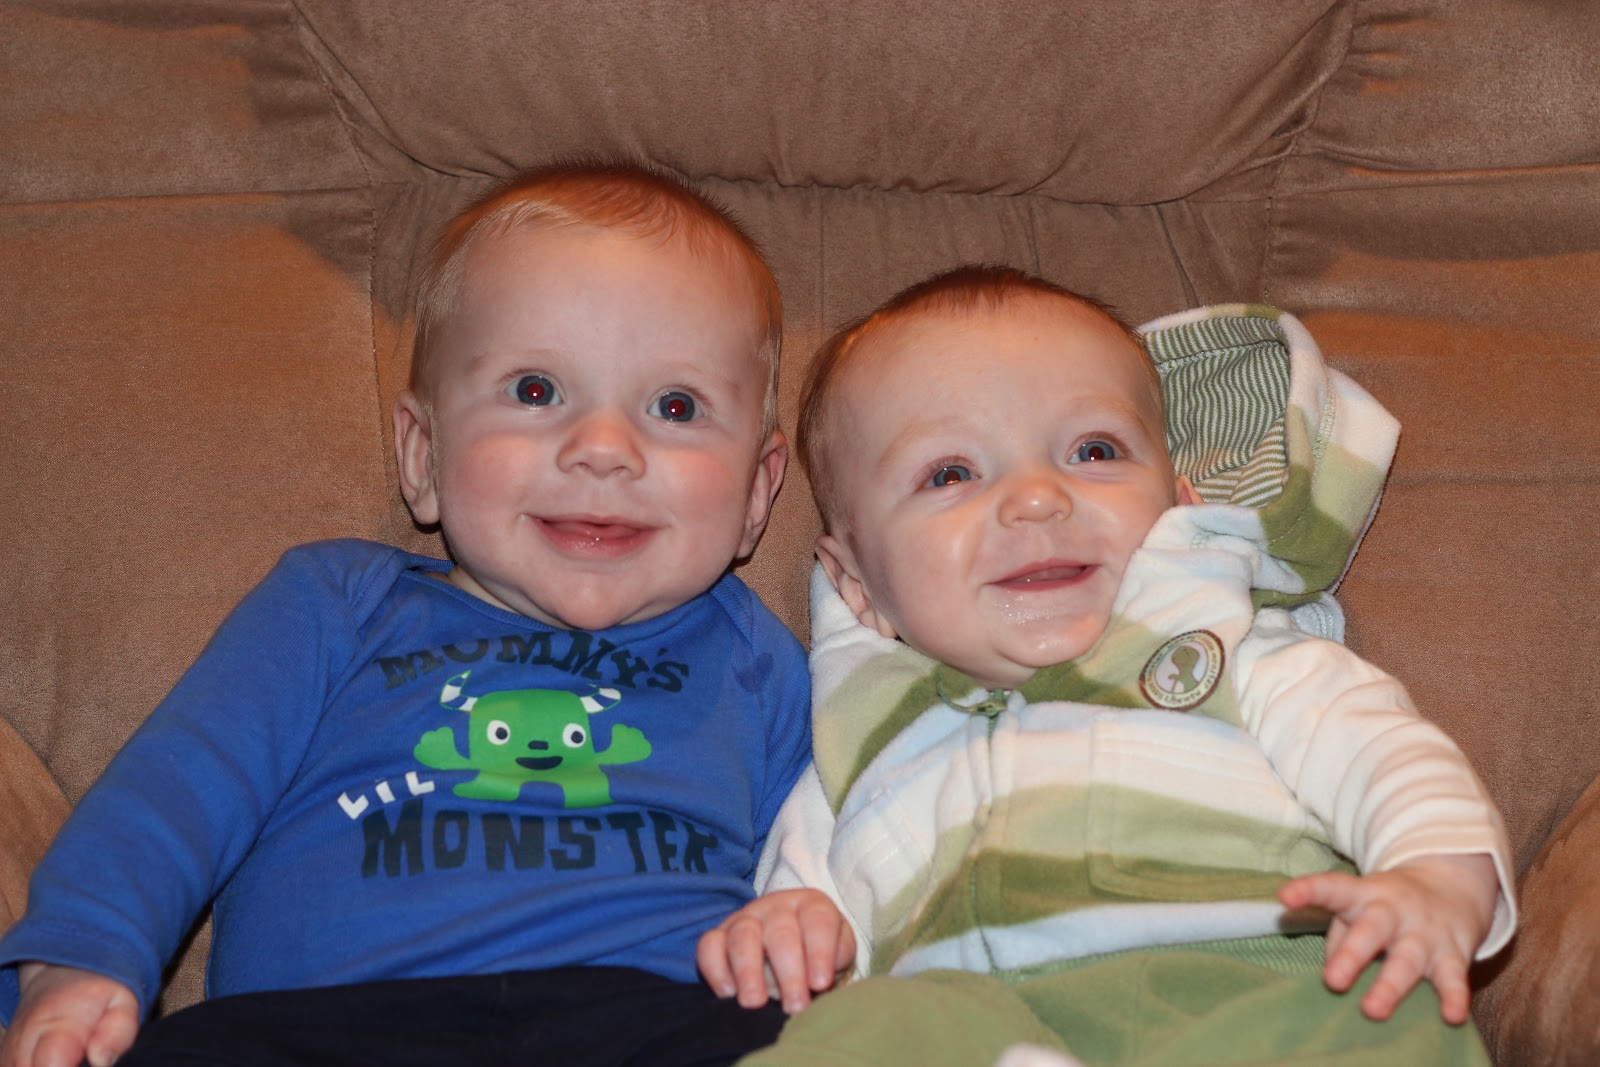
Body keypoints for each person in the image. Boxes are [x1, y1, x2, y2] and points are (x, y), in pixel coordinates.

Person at [0, 161, 837, 1067]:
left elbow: (846, 833)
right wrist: (84, 952)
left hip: (649, 1017)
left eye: (675, 406)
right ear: (423, 454)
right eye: (535, 390)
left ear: (759, 492)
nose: (603, 448)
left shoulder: (757, 658)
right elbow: (180, 785)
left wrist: (810, 911)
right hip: (326, 1022)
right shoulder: (339, 603)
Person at [697, 267, 1516, 1066]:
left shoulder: (1236, 652)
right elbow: (806, 907)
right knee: (872, 1027)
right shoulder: (853, 749)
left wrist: (1435, 878)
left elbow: (1385, 756)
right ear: (857, 586)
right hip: (973, 1014)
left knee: (1369, 1009)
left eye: (1094, 450)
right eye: (951, 473)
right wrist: (792, 924)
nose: (1037, 497)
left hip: (1243, 987)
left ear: (1181, 505)